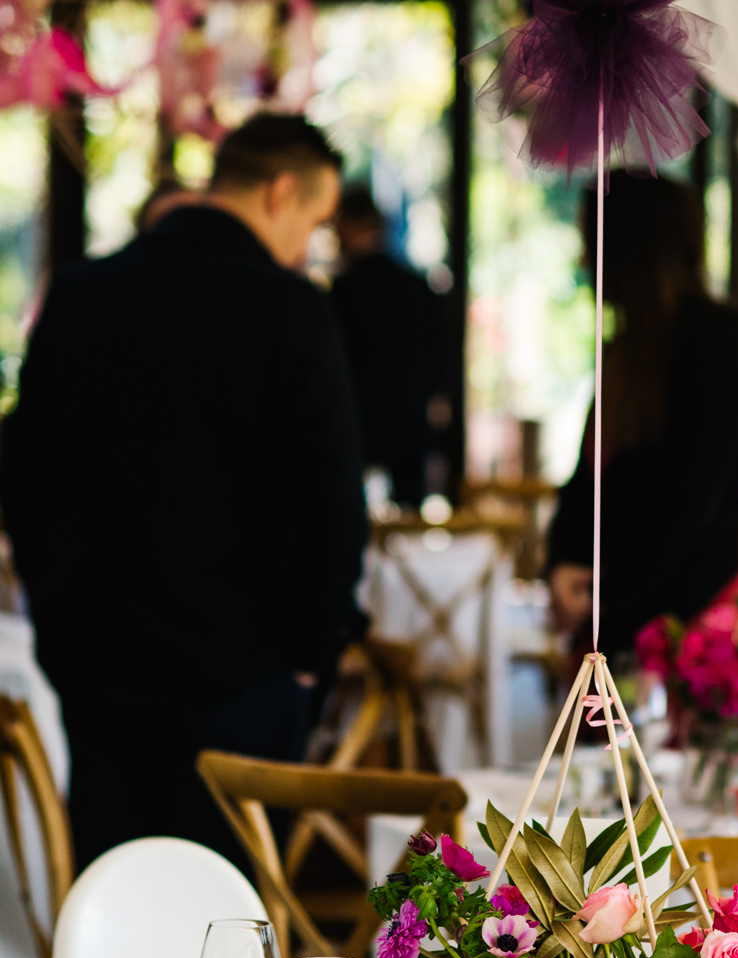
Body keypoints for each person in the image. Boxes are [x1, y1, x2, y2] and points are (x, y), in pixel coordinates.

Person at [0, 112, 368, 870]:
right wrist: (311, 654)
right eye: (314, 221)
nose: (309, 246)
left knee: (116, 901)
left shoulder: (80, 294)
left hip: (98, 668)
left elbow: (23, 474)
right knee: (223, 926)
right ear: (280, 191)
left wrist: (59, 620)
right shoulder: (288, 306)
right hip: (242, 675)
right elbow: (332, 496)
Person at [547, 173, 738, 659]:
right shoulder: (624, 350)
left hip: (690, 622)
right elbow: (588, 480)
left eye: (590, 242)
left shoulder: (720, 341)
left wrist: (600, 594)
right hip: (617, 611)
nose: (584, 260)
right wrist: (563, 565)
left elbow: (692, 502)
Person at [328, 183, 448, 509]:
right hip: (409, 424)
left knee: (351, 517)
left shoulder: (342, 292)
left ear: (349, 224)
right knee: (408, 522)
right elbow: (439, 356)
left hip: (356, 425)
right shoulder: (416, 288)